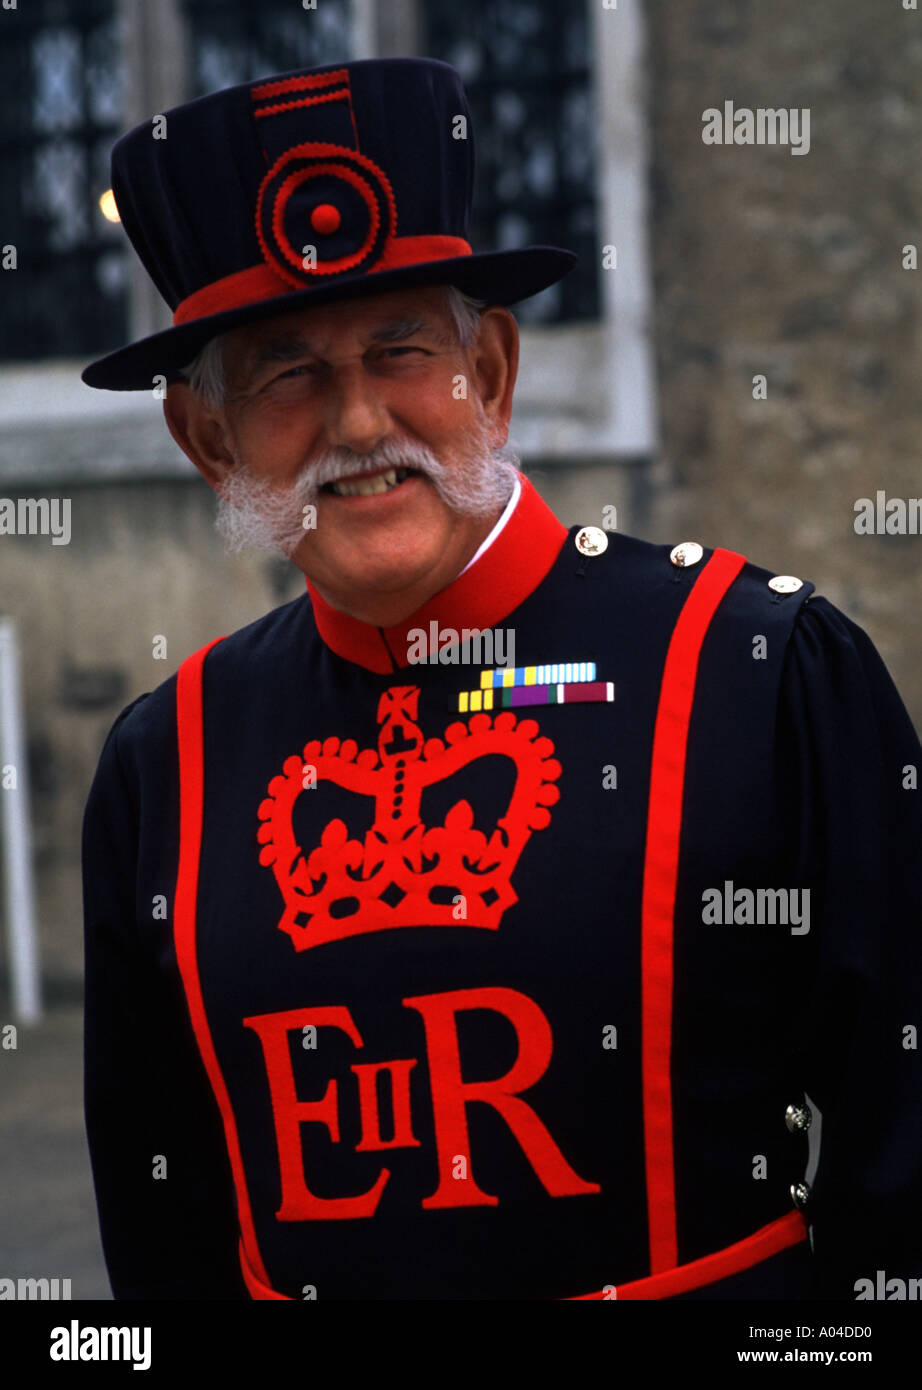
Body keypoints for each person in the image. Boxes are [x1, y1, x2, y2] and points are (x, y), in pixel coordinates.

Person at [81, 56, 922, 1301]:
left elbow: (900, 1171)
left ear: (496, 370)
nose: (361, 423)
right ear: (209, 437)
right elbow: (167, 1244)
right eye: (286, 370)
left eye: (402, 348)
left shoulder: (760, 669)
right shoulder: (168, 762)